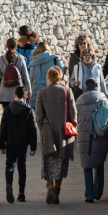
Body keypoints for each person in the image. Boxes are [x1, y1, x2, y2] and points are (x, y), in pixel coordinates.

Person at [36, 66, 76, 205]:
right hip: (64, 132)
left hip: (48, 131)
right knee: (61, 161)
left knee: (48, 160)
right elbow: (73, 114)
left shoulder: (42, 92)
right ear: (60, 77)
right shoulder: (67, 91)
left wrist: (43, 129)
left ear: (49, 77)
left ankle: (49, 186)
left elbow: (38, 116)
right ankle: (57, 191)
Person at [0, 85, 37, 204]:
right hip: (23, 143)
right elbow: (33, 130)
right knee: (22, 167)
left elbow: (3, 127)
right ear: (25, 97)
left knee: (10, 166)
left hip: (10, 142)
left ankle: (9, 186)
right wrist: (33, 147)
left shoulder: (8, 109)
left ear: (14, 95)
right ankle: (21, 193)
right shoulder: (29, 110)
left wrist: (1, 145)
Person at [76, 79, 108, 203]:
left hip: (84, 138)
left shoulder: (79, 101)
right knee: (99, 164)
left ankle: (89, 195)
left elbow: (76, 118)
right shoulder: (103, 99)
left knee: (87, 166)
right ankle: (98, 192)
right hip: (100, 136)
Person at [0, 37, 31, 113]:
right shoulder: (21, 58)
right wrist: (29, 90)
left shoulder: (1, 59)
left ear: (6, 46)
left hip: (4, 92)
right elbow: (26, 76)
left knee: (7, 115)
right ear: (16, 47)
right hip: (18, 92)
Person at [28, 41, 62, 112]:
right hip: (51, 90)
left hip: (36, 92)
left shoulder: (34, 61)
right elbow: (60, 73)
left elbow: (31, 78)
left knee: (37, 117)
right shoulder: (54, 59)